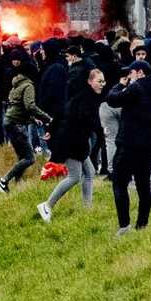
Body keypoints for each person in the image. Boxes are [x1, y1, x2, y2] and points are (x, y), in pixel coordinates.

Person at [105, 59, 151, 233]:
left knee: (119, 183)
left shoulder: (137, 87)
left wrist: (119, 85)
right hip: (147, 143)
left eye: (131, 73)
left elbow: (112, 99)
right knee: (143, 185)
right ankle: (142, 224)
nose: (129, 76)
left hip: (128, 143)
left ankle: (124, 224)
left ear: (140, 73)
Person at [39, 67, 106, 222]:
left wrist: (51, 129)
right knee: (74, 177)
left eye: (103, 81)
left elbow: (62, 112)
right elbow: (86, 119)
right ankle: (47, 206)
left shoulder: (83, 96)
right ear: (90, 82)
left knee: (89, 172)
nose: (102, 84)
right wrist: (101, 129)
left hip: (76, 140)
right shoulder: (86, 99)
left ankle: (87, 210)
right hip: (71, 142)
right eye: (99, 81)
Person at [0, 55, 52, 193]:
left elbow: (19, 107)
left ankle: (18, 185)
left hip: (9, 122)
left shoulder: (16, 85)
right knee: (30, 158)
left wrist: (32, 119)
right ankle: (3, 181)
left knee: (22, 157)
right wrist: (47, 118)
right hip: (16, 124)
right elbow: (30, 106)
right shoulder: (28, 85)